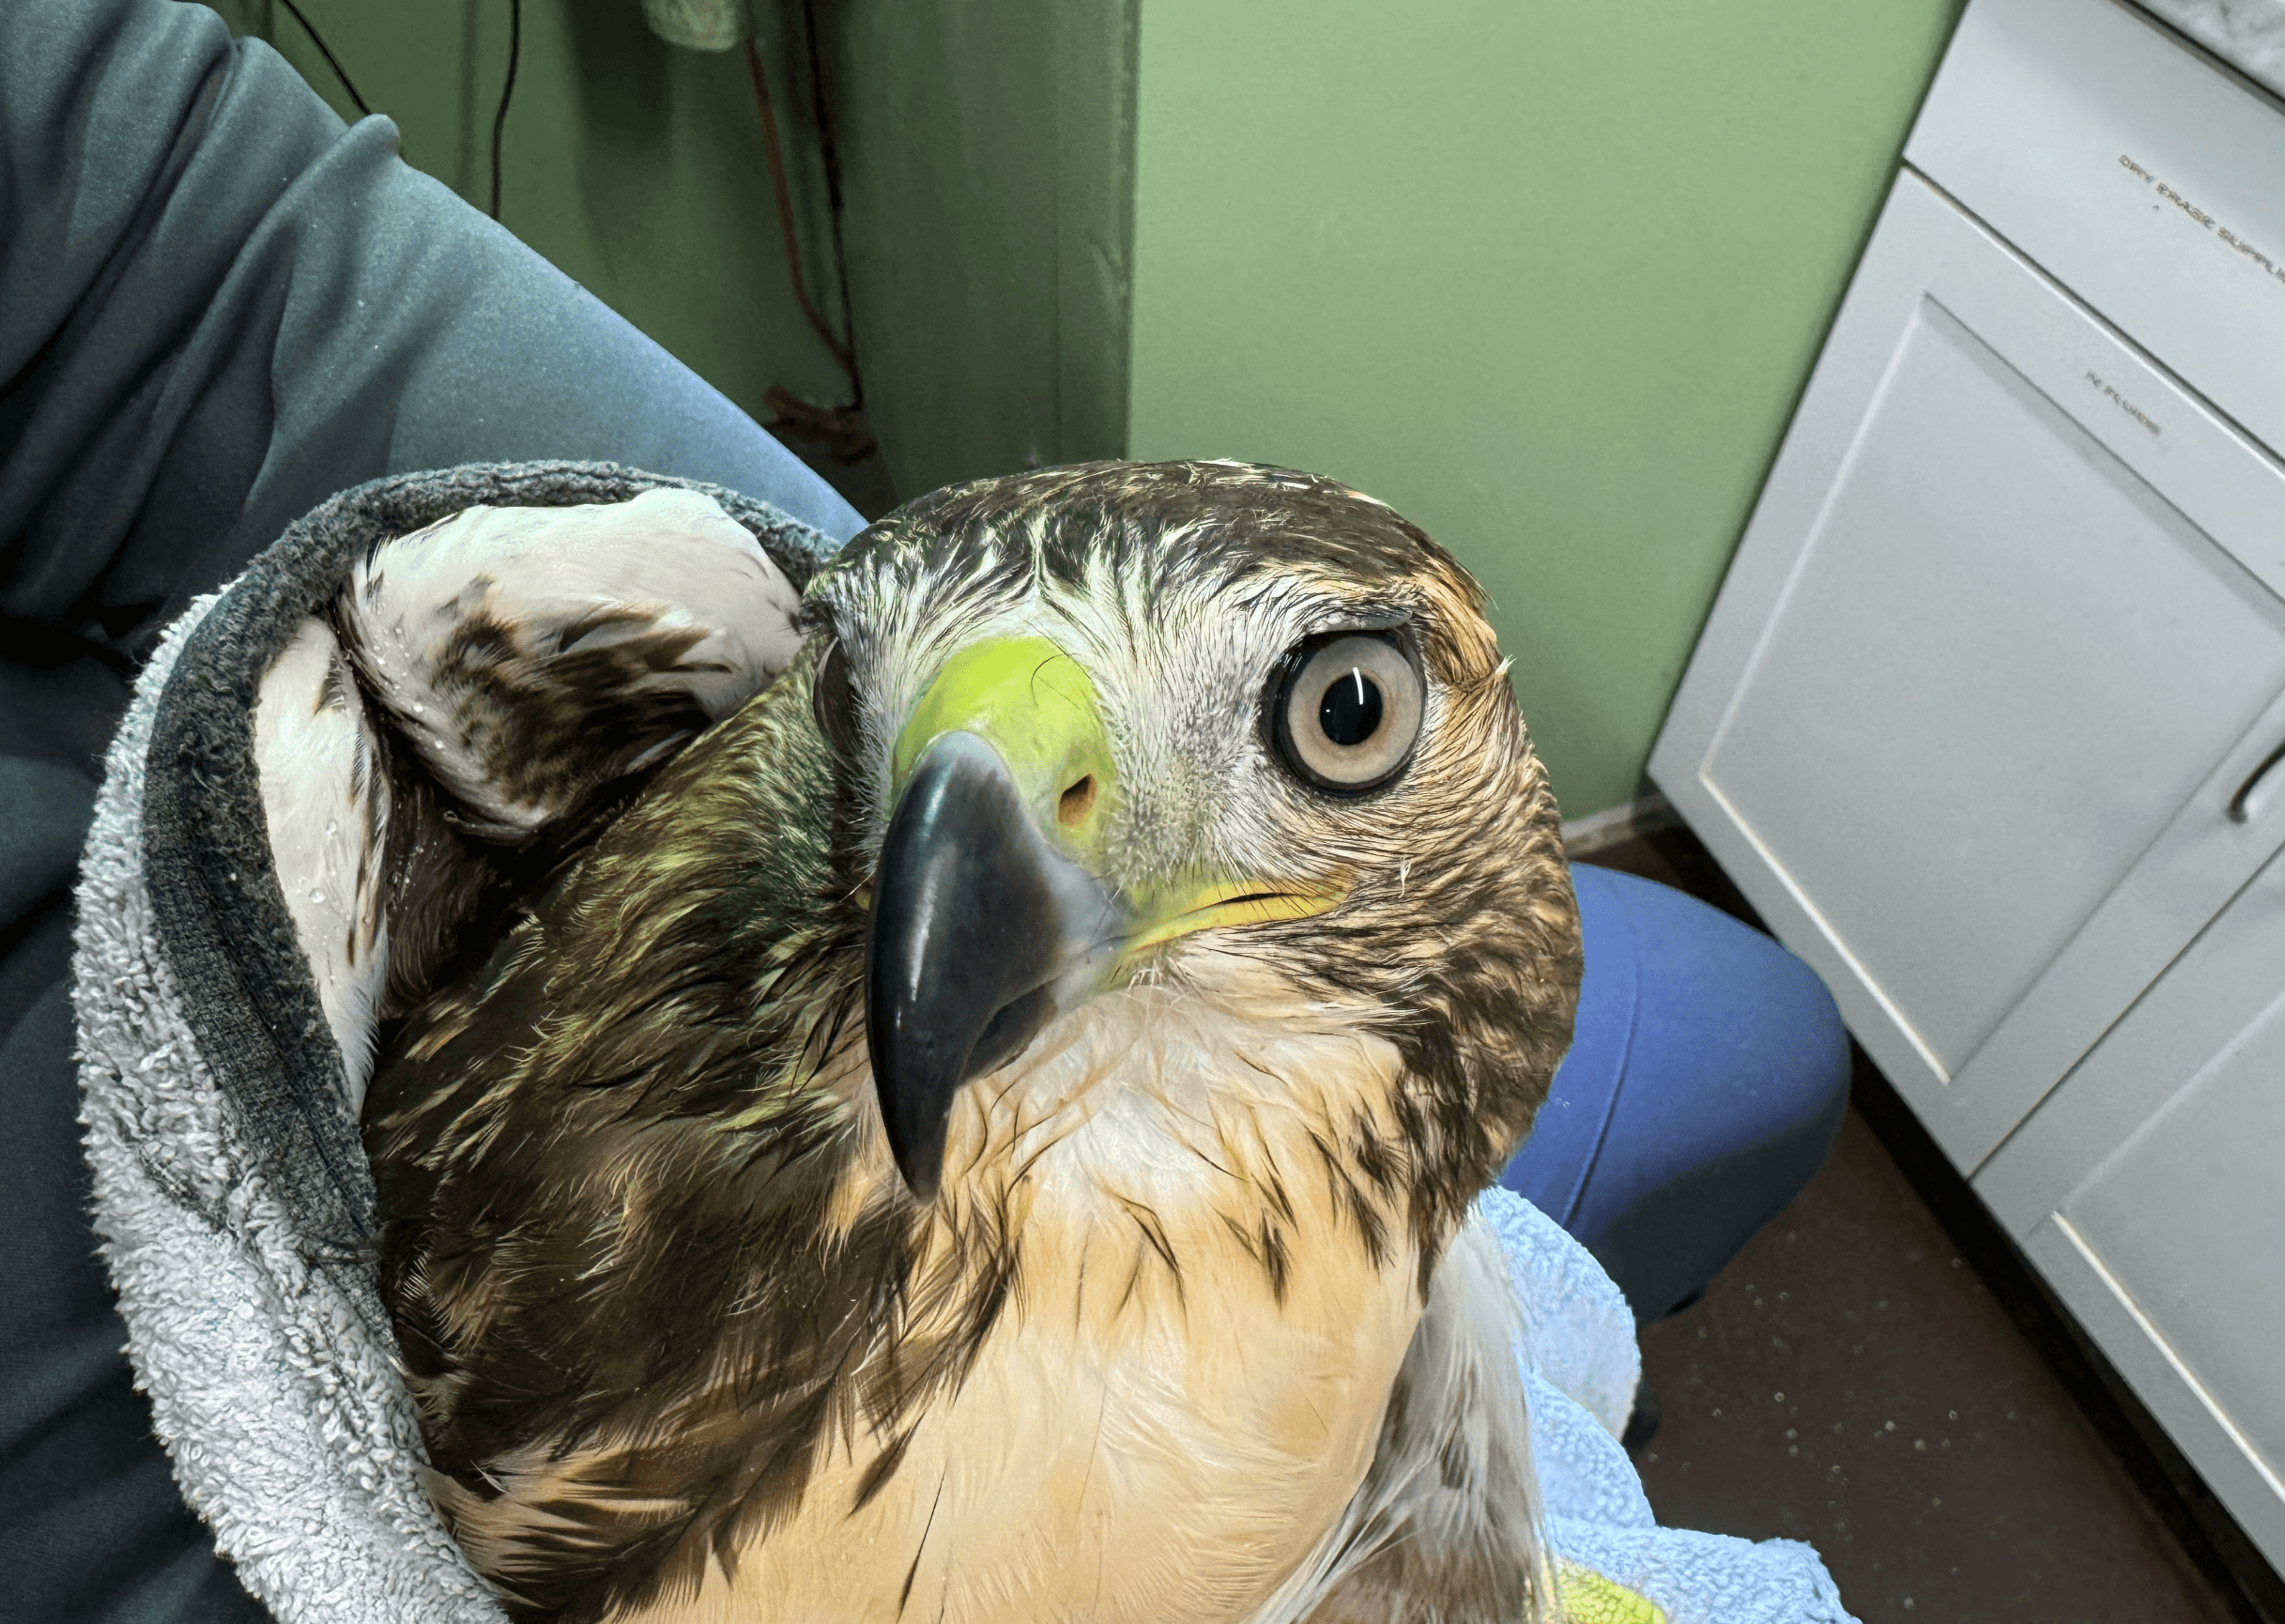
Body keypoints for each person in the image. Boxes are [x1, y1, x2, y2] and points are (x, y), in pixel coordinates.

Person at [0, 3, 1847, 1616]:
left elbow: (170, 229)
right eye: (889, 728)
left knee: (1762, 1019)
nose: (1007, 807)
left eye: (1335, 715)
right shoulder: (571, 1336)